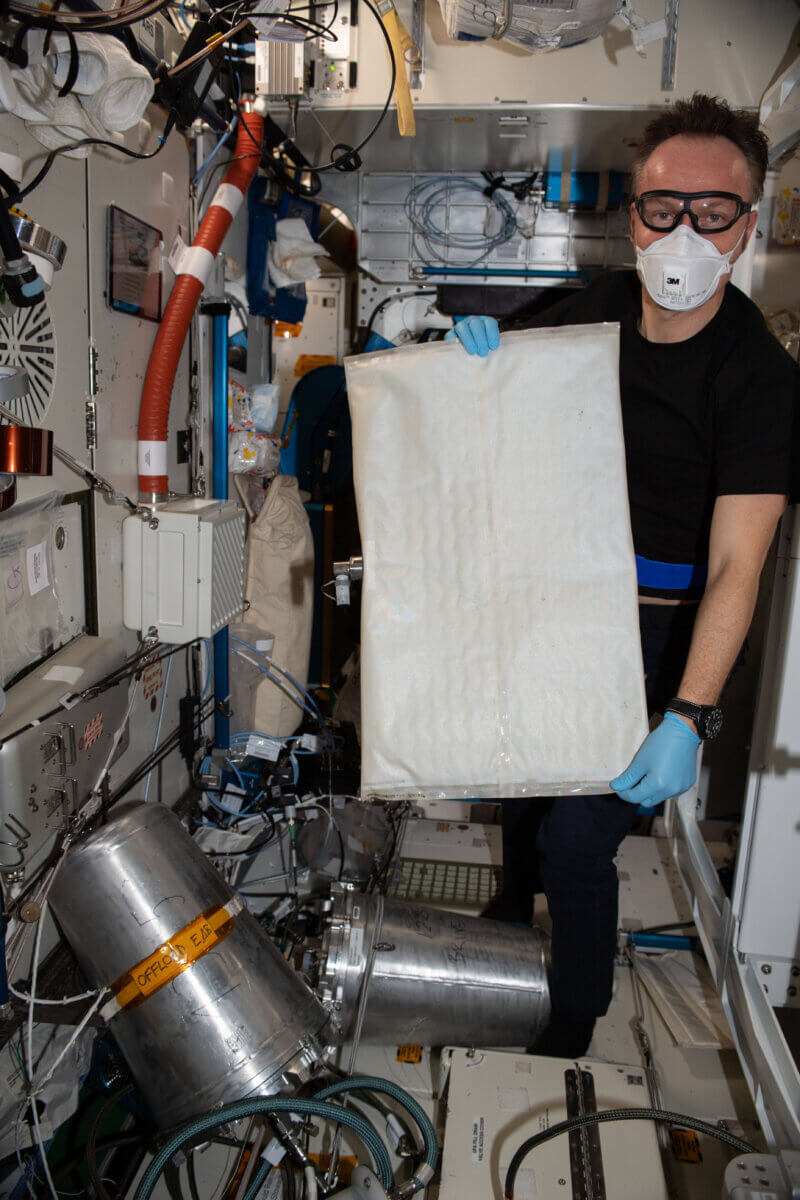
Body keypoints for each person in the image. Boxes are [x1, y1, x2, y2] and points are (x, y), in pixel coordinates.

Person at [447, 93, 800, 1057]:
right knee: (522, 777)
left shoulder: (762, 383)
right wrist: (482, 357)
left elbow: (739, 564)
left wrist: (689, 714)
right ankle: (513, 917)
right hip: (570, 593)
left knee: (578, 836)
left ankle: (570, 1023)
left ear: (746, 227)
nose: (684, 230)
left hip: (666, 624)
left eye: (713, 211)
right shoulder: (601, 305)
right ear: (632, 213)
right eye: (662, 206)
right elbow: (516, 382)